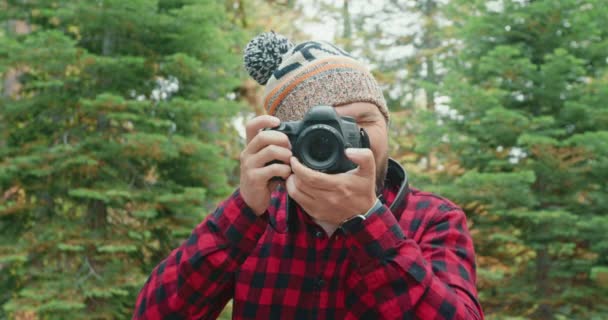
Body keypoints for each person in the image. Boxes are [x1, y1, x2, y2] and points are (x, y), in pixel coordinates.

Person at [133, 32, 484, 320]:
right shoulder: (258, 220)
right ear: (285, 139)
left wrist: (369, 224)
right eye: (321, 133)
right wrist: (242, 212)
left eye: (362, 121)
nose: (345, 141)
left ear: (386, 125)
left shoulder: (433, 220)